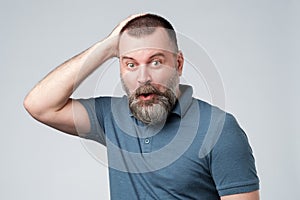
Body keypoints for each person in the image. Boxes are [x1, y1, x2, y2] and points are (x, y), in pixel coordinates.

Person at [24, 13, 260, 199]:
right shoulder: (111, 117)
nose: (143, 78)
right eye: (130, 64)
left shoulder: (219, 129)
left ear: (178, 64)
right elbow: (39, 105)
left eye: (155, 62)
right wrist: (106, 48)